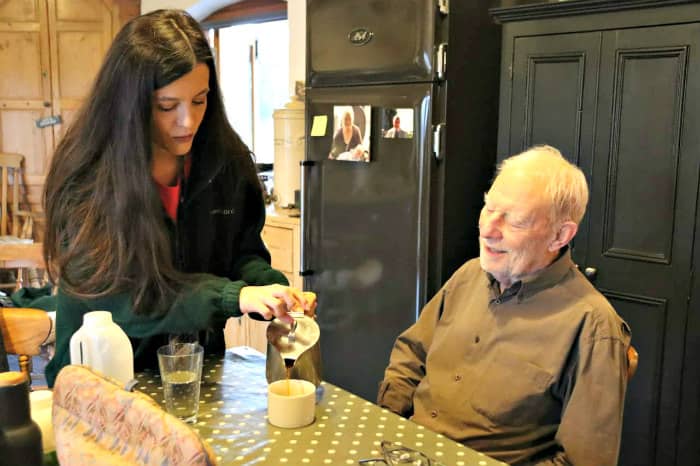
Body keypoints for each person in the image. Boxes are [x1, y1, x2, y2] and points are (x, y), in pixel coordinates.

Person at [42, 9, 315, 387]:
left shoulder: (225, 163)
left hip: (195, 375)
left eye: (200, 100)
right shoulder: (88, 178)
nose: (188, 121)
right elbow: (126, 300)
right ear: (129, 105)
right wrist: (233, 297)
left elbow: (241, 252)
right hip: (101, 381)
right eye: (167, 106)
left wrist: (268, 289)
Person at [377, 145, 631, 465]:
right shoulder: (469, 275)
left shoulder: (592, 325)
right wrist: (388, 421)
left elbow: (583, 461)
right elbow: (411, 353)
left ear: (559, 236)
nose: (487, 229)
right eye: (489, 208)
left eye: (514, 220)